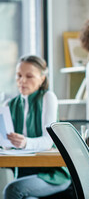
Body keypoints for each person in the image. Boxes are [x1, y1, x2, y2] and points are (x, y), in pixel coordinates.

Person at [3, 55, 71, 198]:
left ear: (42, 79)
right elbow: (7, 145)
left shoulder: (48, 98)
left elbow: (48, 142)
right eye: (19, 76)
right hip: (25, 172)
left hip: (53, 174)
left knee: (12, 190)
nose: (22, 81)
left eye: (29, 76)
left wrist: (25, 142)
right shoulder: (9, 105)